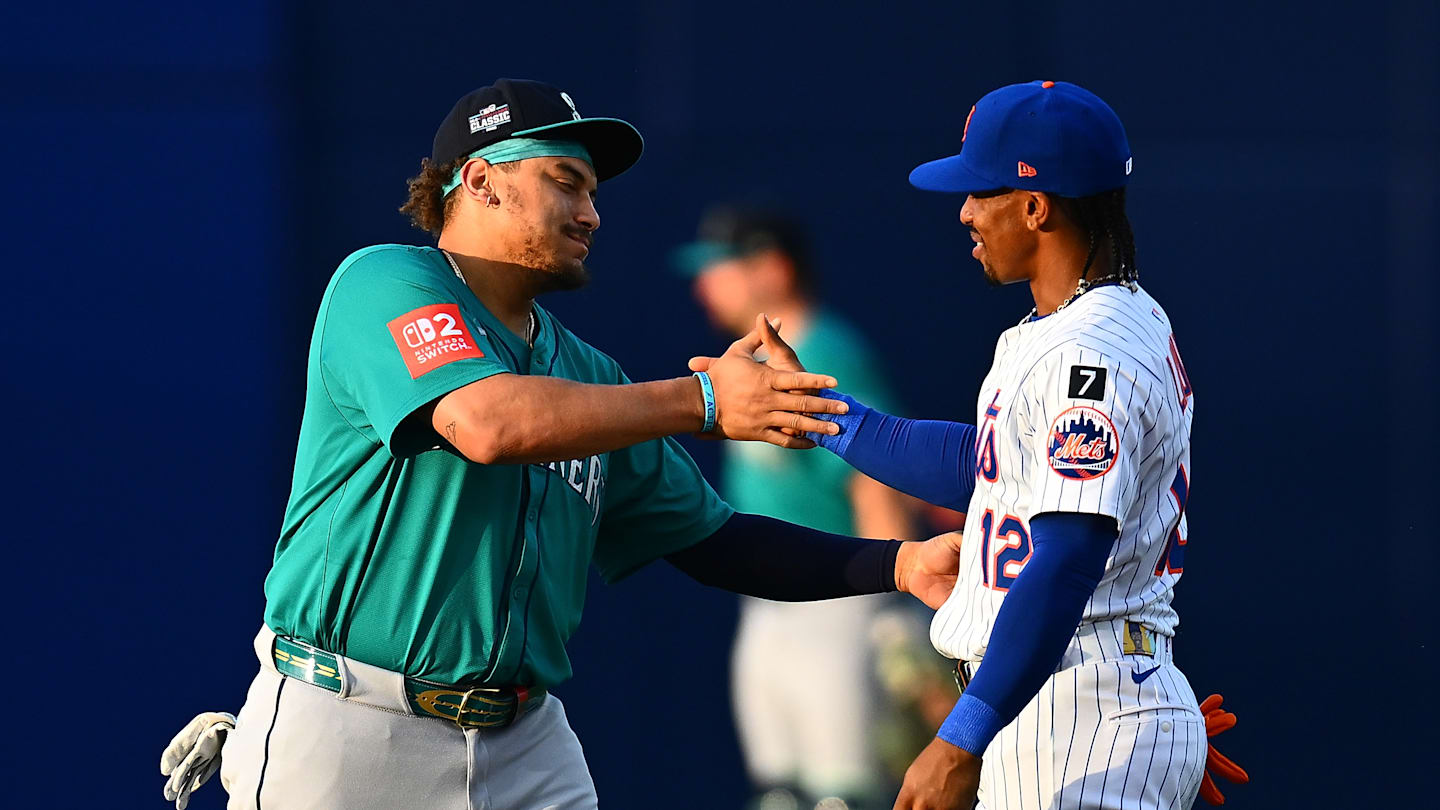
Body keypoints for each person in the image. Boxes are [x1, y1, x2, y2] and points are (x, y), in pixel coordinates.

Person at [156, 77, 965, 810]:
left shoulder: (585, 374)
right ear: (481, 181)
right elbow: (487, 423)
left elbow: (711, 539)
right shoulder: (385, 283)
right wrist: (704, 399)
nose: (592, 212)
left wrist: (897, 564)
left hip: (523, 741)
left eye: (594, 191)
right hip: (351, 719)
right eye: (565, 182)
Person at [691, 80, 1249, 809]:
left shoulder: (1090, 354)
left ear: (1035, 205)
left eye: (980, 192)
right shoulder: (1084, 324)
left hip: (1075, 704)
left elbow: (1067, 559)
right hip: (1077, 693)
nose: (964, 212)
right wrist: (827, 414)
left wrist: (961, 739)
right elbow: (985, 467)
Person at [675, 208, 919, 809]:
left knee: (843, 795)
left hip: (838, 602)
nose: (705, 285)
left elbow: (873, 480)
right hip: (768, 604)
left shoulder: (828, 348)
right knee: (780, 793)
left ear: (773, 268)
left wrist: (892, 618)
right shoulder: (749, 366)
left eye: (720, 267)